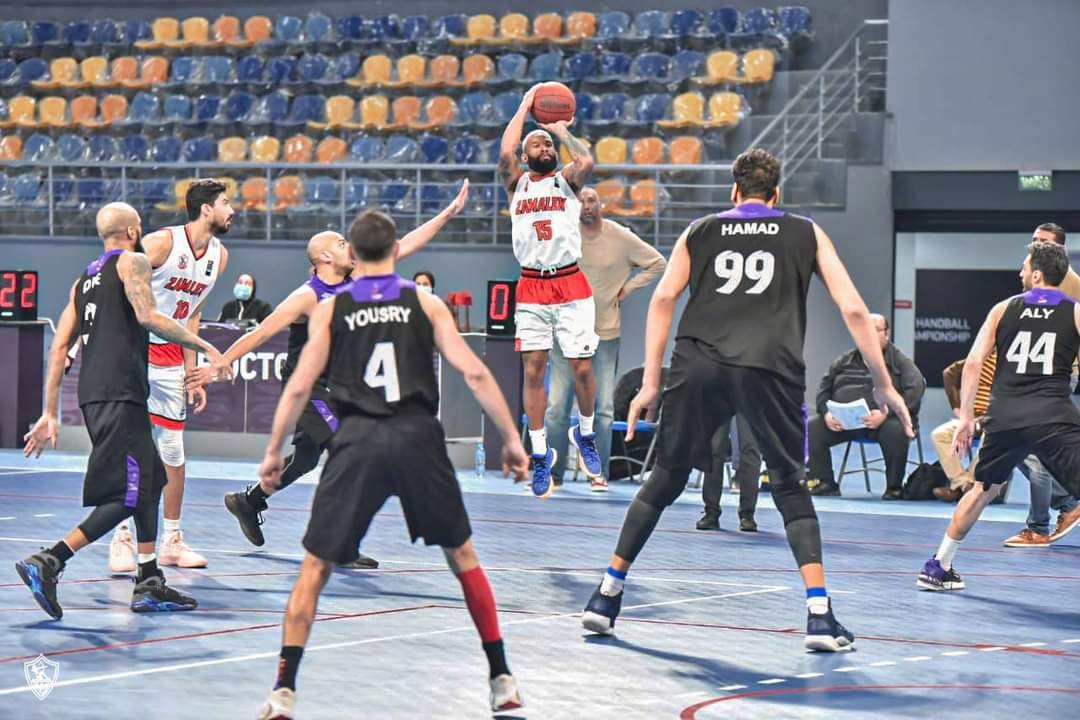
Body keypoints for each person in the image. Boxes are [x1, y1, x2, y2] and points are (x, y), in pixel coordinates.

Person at [581, 148, 913, 652]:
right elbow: (853, 308)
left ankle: (606, 596)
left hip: (699, 363)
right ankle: (819, 616)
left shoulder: (700, 230)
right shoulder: (805, 231)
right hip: (769, 366)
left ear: (734, 191)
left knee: (665, 476)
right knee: (790, 485)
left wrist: (650, 381)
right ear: (776, 195)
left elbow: (664, 298)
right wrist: (884, 383)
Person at [255, 210, 529, 718]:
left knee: (314, 568)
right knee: (463, 557)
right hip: (417, 437)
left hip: (358, 439)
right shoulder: (424, 302)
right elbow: (473, 372)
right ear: (394, 250)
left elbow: (298, 385)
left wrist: (274, 451)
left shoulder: (331, 310)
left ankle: (283, 692)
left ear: (355, 253)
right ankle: (501, 678)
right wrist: (511, 438)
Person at [188, 182, 470, 568]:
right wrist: (218, 363)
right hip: (310, 387)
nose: (348, 246)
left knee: (306, 460)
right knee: (348, 451)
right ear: (323, 256)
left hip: (342, 387)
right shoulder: (307, 295)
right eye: (340, 243)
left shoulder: (360, 277)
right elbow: (261, 332)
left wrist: (448, 213)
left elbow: (404, 245)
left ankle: (248, 501)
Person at [16, 202, 231, 619]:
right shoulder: (133, 262)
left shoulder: (83, 279)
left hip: (96, 394)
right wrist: (205, 346)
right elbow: (148, 315)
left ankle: (149, 580)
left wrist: (50, 412)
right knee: (129, 495)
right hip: (121, 393)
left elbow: (59, 348)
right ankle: (51, 559)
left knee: (151, 479)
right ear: (133, 231)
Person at [919, 241, 1080, 591]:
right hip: (1053, 415)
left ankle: (938, 566)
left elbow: (973, 363)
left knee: (982, 489)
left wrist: (965, 418)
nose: (1020, 271)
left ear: (1036, 275)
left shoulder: (1003, 309)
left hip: (1005, 416)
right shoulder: (1075, 312)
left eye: (1024, 266)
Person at [108, 179, 231, 573]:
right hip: (135, 352)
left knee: (174, 453)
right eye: (226, 202)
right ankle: (122, 536)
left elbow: (193, 313)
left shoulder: (220, 256)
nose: (232, 210)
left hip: (171, 359)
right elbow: (119, 282)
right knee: (130, 446)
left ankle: (172, 540)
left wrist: (192, 370)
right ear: (206, 209)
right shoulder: (162, 242)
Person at [498, 83, 603, 497]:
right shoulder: (517, 185)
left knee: (582, 369)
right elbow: (505, 153)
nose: (543, 146)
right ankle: (540, 453)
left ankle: (586, 433)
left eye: (547, 144)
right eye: (536, 143)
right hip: (531, 286)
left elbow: (586, 159)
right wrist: (525, 106)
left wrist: (559, 129)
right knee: (533, 370)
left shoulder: (567, 181)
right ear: (525, 158)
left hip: (570, 282)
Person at [544, 186, 666, 490]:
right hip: (565, 334)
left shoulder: (620, 237)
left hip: (605, 334)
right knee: (557, 407)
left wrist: (629, 288)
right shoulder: (563, 235)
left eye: (591, 200)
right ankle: (553, 473)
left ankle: (598, 473)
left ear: (601, 205)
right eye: (580, 201)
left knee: (604, 409)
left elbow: (657, 263)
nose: (586, 205)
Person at [807, 314, 925, 499]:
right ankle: (826, 482)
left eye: (876, 330)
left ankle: (894, 487)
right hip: (847, 423)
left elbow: (915, 392)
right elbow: (823, 391)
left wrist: (885, 414)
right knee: (813, 427)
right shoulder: (844, 361)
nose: (869, 334)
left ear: (886, 334)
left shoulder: (900, 362)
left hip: (885, 422)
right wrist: (827, 414)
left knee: (895, 431)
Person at [696, 415, 762, 532]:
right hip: (719, 403)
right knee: (715, 448)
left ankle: (747, 514)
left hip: (751, 403)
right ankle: (711, 512)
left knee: (750, 451)